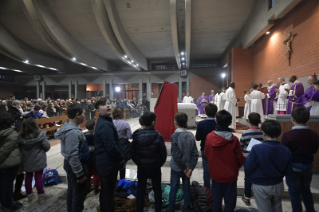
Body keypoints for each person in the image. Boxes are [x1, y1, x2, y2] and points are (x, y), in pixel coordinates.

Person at [245, 120, 292, 212]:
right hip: (278, 184)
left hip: (261, 184)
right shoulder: (286, 150)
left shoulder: (257, 148)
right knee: (277, 208)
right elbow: (288, 171)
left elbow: (248, 167)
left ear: (263, 132)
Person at [204, 110, 244, 212]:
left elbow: (207, 154)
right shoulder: (234, 140)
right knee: (230, 204)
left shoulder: (209, 137)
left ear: (216, 121)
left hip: (216, 175)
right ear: (230, 122)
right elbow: (240, 159)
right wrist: (234, 168)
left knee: (216, 203)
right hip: (230, 176)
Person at [281, 108, 319, 212]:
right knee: (306, 190)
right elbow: (314, 149)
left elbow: (284, 152)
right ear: (308, 119)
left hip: (293, 166)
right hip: (308, 166)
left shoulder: (287, 135)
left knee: (294, 191)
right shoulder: (314, 134)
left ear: (292, 119)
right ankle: (310, 209)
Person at [55, 104, 90, 212]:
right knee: (79, 195)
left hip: (71, 165)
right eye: (83, 113)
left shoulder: (70, 128)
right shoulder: (72, 132)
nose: (85, 116)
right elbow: (73, 155)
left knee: (72, 191)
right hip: (75, 166)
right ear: (77, 115)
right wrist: (79, 174)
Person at [131, 112, 167, 212]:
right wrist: (159, 164)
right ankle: (158, 209)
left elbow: (132, 152)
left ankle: (139, 209)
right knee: (157, 189)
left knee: (141, 189)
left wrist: (139, 162)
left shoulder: (136, 135)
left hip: (142, 167)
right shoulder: (158, 136)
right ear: (153, 123)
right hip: (155, 167)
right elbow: (163, 154)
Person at [94, 99, 124, 212]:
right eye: (103, 105)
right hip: (107, 164)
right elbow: (110, 147)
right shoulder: (105, 124)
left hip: (105, 163)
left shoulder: (105, 121)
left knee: (106, 191)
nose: (107, 106)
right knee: (108, 193)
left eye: (108, 104)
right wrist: (120, 157)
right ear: (98, 111)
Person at [168, 112, 198, 212]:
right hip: (188, 168)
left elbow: (176, 155)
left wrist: (185, 168)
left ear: (175, 122)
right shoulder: (190, 135)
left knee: (173, 188)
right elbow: (195, 154)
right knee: (186, 189)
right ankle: (186, 209)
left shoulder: (174, 136)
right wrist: (190, 168)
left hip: (177, 168)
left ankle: (170, 209)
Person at [19, 118, 51, 202]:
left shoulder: (21, 137)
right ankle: (41, 194)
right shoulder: (40, 135)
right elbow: (47, 146)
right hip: (38, 159)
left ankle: (29, 195)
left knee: (28, 176)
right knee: (38, 177)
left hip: (26, 159)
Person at [0, 112, 23, 211]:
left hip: (4, 163)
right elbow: (4, 152)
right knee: (8, 185)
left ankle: (3, 203)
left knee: (1, 185)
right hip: (8, 163)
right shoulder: (12, 134)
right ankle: (8, 205)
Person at [240, 112, 264, 206]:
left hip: (248, 158)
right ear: (260, 121)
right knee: (259, 176)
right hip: (260, 158)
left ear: (249, 121)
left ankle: (247, 197)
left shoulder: (245, 133)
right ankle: (260, 198)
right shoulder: (263, 133)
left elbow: (241, 146)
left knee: (248, 178)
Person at [195, 103, 217, 189]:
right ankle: (216, 188)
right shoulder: (218, 124)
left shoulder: (201, 124)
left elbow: (197, 138)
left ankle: (207, 189)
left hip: (205, 148)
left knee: (206, 171)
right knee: (216, 170)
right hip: (216, 149)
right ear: (216, 112)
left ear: (205, 112)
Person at [112, 107, 132, 180]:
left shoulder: (111, 123)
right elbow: (130, 136)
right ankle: (122, 181)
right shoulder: (125, 124)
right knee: (122, 166)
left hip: (113, 144)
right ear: (122, 114)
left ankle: (114, 183)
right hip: (123, 145)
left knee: (114, 165)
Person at [84, 120, 100, 195]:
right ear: (94, 126)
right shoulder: (97, 135)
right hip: (95, 156)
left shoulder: (84, 135)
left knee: (88, 173)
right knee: (96, 172)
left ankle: (88, 186)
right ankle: (96, 187)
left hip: (87, 156)